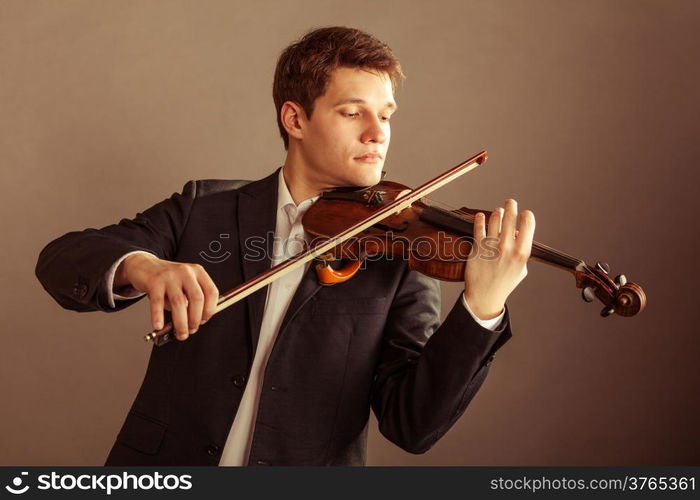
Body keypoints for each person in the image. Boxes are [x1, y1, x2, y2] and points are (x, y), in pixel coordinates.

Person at [35, 26, 535, 466]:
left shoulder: (397, 247)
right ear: (295, 120)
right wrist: (143, 266)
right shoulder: (202, 208)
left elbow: (413, 426)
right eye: (352, 112)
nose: (377, 133)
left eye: (386, 115)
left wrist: (481, 308)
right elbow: (61, 259)